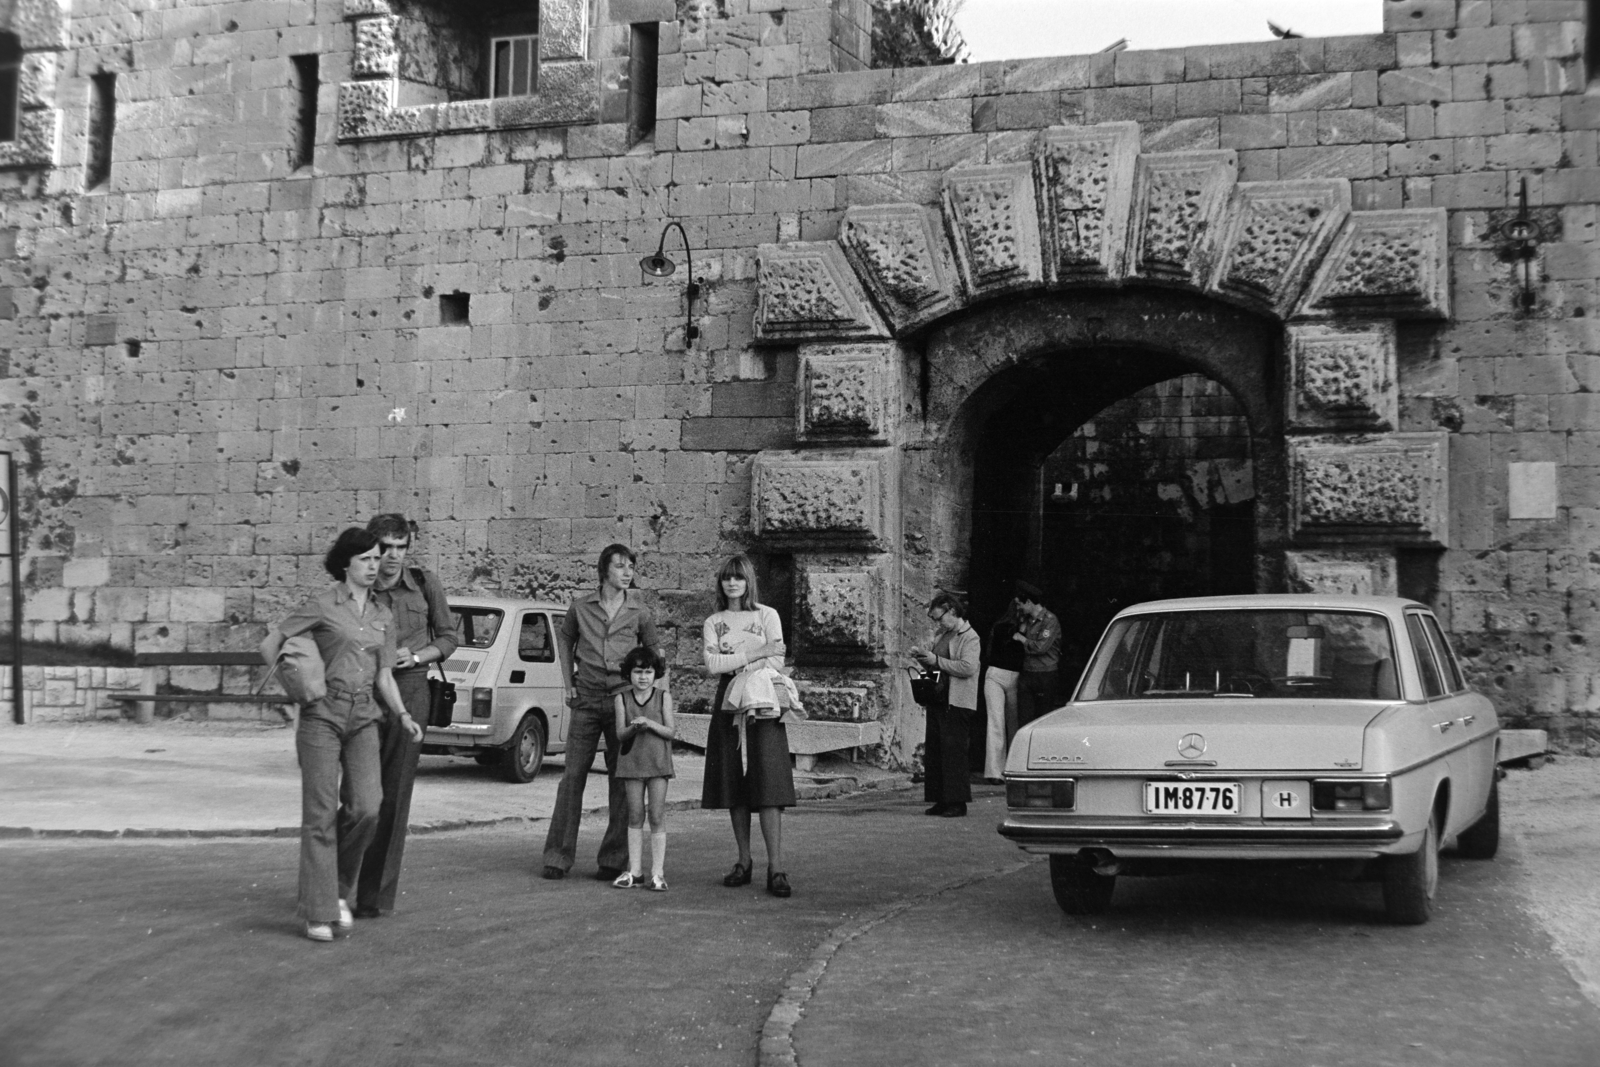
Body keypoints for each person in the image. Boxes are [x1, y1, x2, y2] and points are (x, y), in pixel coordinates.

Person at [261, 527, 423, 943]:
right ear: (346, 563)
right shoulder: (321, 604)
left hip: (365, 715)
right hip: (322, 716)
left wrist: (402, 714)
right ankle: (318, 912)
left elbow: (385, 673)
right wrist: (297, 690)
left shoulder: (382, 616)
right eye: (367, 558)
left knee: (367, 807)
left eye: (378, 558)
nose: (375, 565)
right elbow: (272, 643)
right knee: (319, 815)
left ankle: (333, 890)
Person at [353, 513, 458, 919]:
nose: (394, 557)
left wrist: (415, 655)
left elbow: (449, 638)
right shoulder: (360, 585)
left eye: (402, 547)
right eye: (387, 548)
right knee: (359, 796)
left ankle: (373, 895)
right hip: (363, 692)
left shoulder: (425, 584)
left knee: (395, 796)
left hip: (411, 691)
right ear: (374, 548)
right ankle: (342, 881)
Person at [542, 544, 662, 881]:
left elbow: (654, 656)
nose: (628, 572)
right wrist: (568, 684)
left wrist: (649, 699)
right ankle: (557, 855)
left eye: (631, 567)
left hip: (624, 702)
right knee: (572, 778)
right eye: (621, 566)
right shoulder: (580, 608)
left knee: (621, 779)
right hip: (587, 698)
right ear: (603, 570)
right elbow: (564, 642)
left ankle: (613, 858)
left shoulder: (641, 612)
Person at [701, 554, 799, 898]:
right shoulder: (714, 621)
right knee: (734, 782)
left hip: (763, 698)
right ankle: (743, 860)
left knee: (769, 781)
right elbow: (713, 664)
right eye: (727, 578)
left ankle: (777, 866)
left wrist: (751, 657)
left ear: (748, 582)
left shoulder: (766, 614)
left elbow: (777, 657)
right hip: (728, 698)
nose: (732, 584)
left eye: (739, 578)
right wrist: (755, 653)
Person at [610, 645, 676, 892]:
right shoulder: (622, 698)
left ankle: (657, 873)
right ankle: (635, 871)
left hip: (658, 763)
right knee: (635, 815)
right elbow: (620, 733)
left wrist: (649, 723)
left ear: (655, 673)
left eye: (648, 672)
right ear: (629, 673)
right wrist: (634, 728)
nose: (643, 677)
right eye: (638, 671)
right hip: (632, 763)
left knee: (657, 815)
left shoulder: (662, 696)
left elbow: (670, 731)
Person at [910, 592, 981, 817]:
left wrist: (936, 661)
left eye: (940, 617)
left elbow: (968, 667)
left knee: (954, 753)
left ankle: (957, 802)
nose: (938, 623)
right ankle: (941, 799)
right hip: (940, 699)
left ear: (952, 610)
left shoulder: (970, 637)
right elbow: (940, 665)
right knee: (936, 751)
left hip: (957, 701)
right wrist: (925, 658)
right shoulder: (946, 635)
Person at [982, 598, 1025, 783]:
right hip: (1007, 674)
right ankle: (1006, 770)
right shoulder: (1015, 628)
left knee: (997, 723)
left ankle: (996, 772)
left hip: (998, 673)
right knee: (1008, 724)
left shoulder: (999, 626)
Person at [1014, 580, 1062, 728]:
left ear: (1028, 602)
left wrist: (1022, 639)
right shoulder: (1027, 620)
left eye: (1019, 604)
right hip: (1028, 673)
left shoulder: (1050, 620)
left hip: (1045, 675)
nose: (1018, 608)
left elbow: (1041, 647)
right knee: (1024, 720)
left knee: (1043, 719)